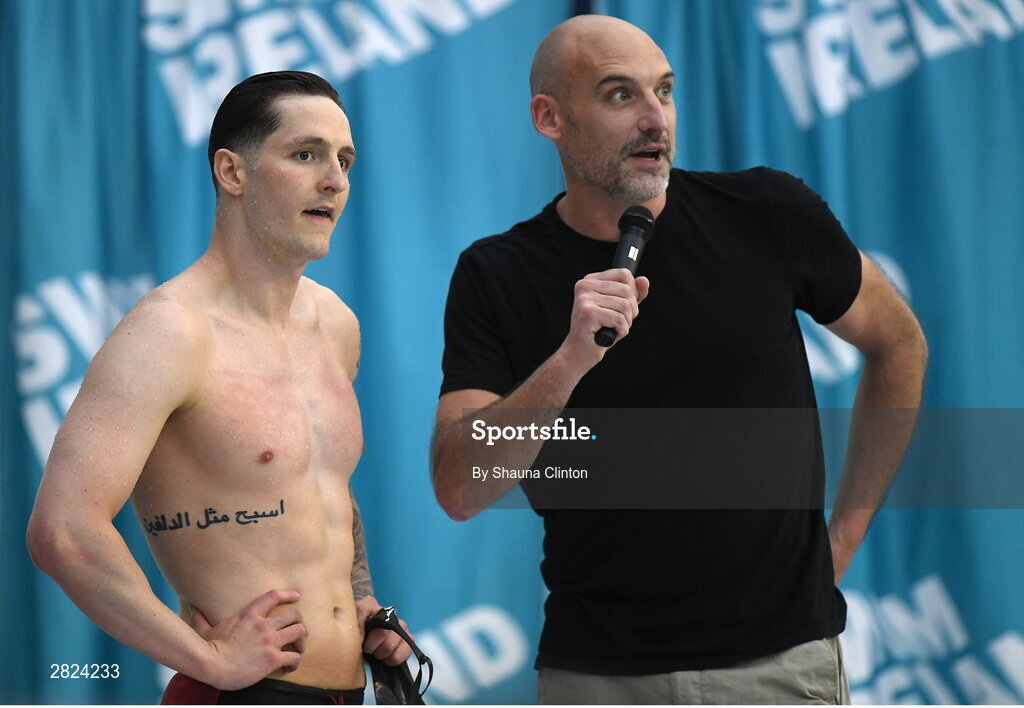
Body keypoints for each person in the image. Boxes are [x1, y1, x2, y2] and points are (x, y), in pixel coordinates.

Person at [430, 15, 927, 705]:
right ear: (550, 117)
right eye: (619, 95)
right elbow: (460, 486)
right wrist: (570, 360)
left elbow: (899, 344)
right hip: (597, 678)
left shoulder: (764, 211)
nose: (655, 118)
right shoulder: (498, 274)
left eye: (664, 90)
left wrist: (842, 537)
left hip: (780, 668)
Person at [27, 71, 412, 705]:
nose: (335, 180)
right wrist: (208, 658)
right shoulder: (169, 334)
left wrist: (360, 598)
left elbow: (322, 486)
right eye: (306, 154)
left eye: (344, 160)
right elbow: (63, 530)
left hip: (347, 691)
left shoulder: (335, 324)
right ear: (232, 173)